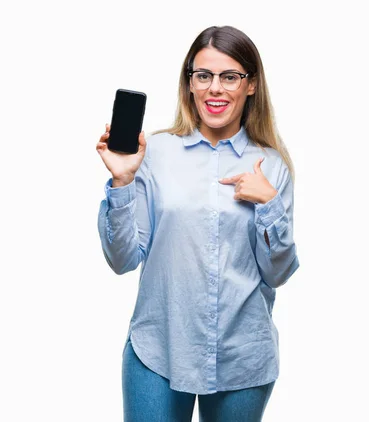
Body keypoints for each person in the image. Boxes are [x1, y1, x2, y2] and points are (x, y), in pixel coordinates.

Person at [96, 25, 299, 422]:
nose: (215, 89)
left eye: (230, 76)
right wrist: (122, 181)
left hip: (242, 356)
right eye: (203, 76)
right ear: (189, 83)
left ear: (251, 85)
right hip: (158, 349)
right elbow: (122, 261)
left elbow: (277, 273)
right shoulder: (153, 152)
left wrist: (269, 203)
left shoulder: (270, 166)